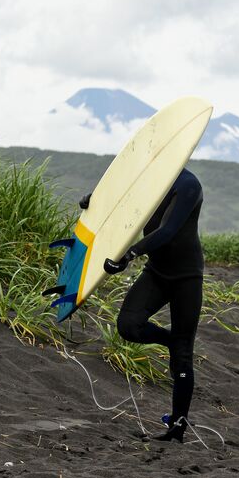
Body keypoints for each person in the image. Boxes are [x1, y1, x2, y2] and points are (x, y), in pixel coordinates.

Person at [80, 168, 204, 443]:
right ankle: (172, 341)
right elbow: (119, 202)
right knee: (128, 326)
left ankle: (177, 427)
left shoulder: (188, 185)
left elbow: (168, 230)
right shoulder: (145, 177)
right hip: (157, 273)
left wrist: (130, 254)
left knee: (183, 359)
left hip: (187, 278)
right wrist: (94, 204)